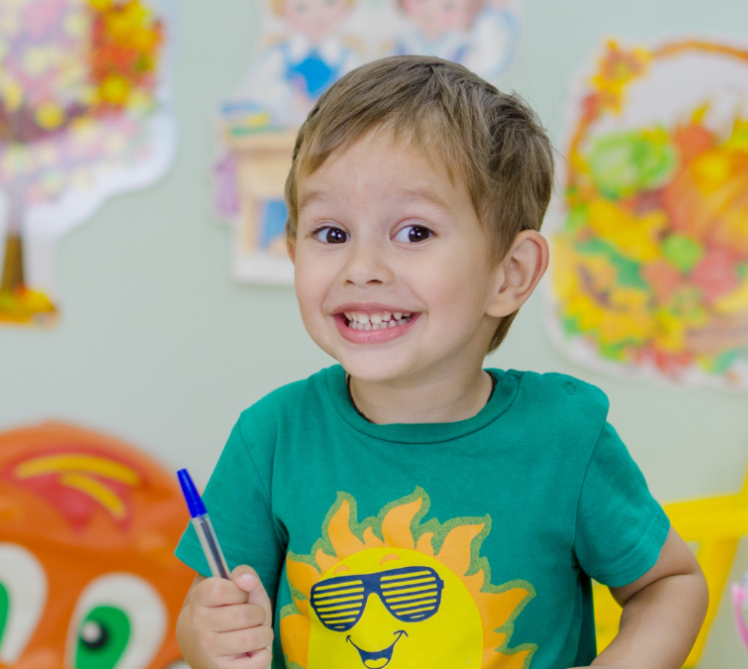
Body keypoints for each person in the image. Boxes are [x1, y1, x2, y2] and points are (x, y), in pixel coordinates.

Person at [176, 56, 708, 669]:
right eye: (330, 234)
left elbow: (670, 584)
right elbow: (203, 617)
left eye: (414, 233)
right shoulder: (270, 439)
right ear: (294, 249)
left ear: (509, 275)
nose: (361, 267)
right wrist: (210, 639)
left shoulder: (567, 439)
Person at [222, 0, 361, 130]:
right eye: (302, 8)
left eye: (329, 3)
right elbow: (253, 96)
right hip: (284, 140)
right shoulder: (279, 56)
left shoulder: (348, 59)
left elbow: (360, 99)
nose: (318, 16)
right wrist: (287, 99)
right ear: (283, 10)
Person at [396, 0, 519, 80]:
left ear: (467, 16)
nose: (431, 9)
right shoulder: (404, 41)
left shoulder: (460, 49)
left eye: (448, 6)